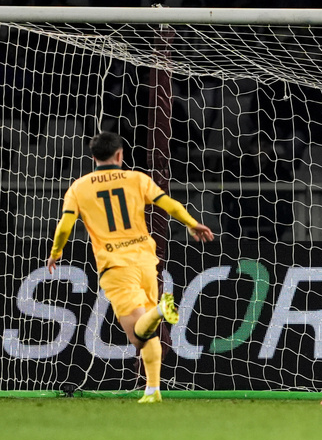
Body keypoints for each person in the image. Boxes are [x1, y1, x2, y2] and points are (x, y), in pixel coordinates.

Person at [45, 132, 215, 403]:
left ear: (93, 158)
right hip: (146, 261)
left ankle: (161, 311)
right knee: (148, 331)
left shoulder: (79, 187)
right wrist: (191, 222)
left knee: (138, 336)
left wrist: (56, 253)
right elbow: (167, 204)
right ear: (120, 155)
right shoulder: (137, 179)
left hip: (116, 265)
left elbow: (65, 225)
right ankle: (153, 390)